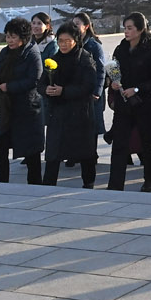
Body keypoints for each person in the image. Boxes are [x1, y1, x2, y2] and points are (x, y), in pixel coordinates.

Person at [106, 12, 151, 192]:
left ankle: (150, 179)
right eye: (125, 28)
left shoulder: (150, 50)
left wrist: (138, 89)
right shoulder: (121, 48)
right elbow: (114, 70)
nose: (126, 31)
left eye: (130, 28)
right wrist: (114, 83)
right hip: (124, 103)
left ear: (140, 30)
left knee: (147, 143)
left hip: (146, 103)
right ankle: (115, 184)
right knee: (119, 144)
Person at [38, 22, 99, 188]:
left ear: (76, 40)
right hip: (58, 114)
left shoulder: (85, 58)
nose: (63, 44)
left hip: (80, 114)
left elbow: (88, 86)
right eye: (60, 40)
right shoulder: (54, 59)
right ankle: (48, 184)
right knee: (53, 152)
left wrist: (63, 91)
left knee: (85, 152)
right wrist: (47, 90)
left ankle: (89, 183)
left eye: (67, 40)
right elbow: (41, 83)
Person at [0, 17, 43, 185]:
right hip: (7, 108)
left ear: (23, 38)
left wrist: (10, 86)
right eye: (7, 36)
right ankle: (1, 182)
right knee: (0, 145)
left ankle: (35, 184)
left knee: (31, 150)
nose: (9, 40)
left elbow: (35, 80)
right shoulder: (4, 52)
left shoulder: (32, 53)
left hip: (27, 108)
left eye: (13, 37)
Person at [69, 12, 107, 169]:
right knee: (74, 124)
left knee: (91, 125)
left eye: (77, 24)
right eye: (73, 24)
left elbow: (101, 70)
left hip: (92, 92)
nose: (74, 27)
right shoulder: (72, 44)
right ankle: (74, 154)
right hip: (76, 91)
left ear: (86, 26)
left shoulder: (94, 45)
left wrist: (97, 91)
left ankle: (91, 154)